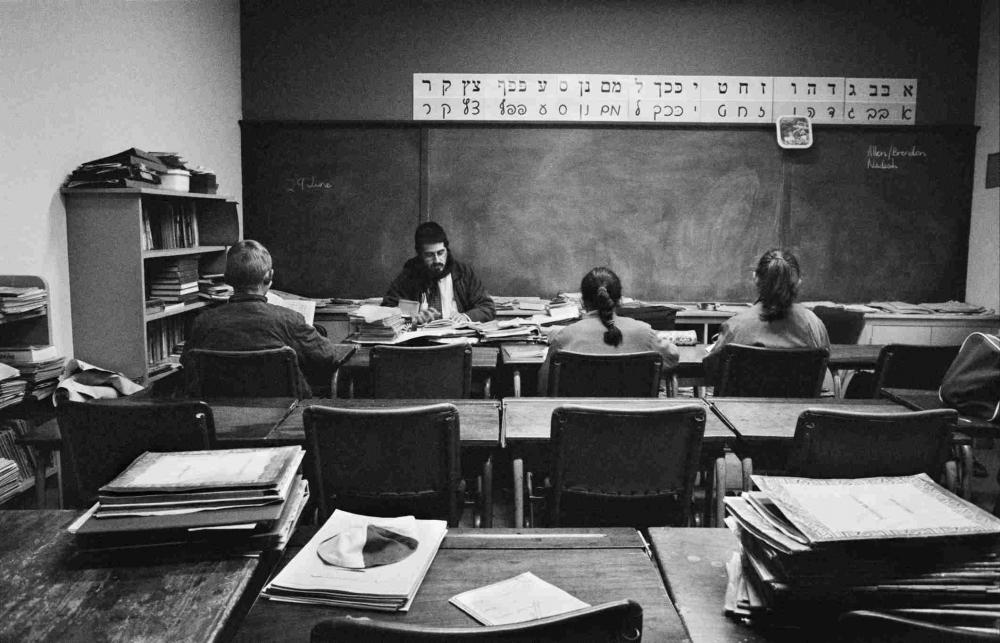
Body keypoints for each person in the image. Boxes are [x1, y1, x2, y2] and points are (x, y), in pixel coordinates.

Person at [181, 239, 339, 396]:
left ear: (227, 278)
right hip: (284, 415)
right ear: (269, 277)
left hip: (220, 416)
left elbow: (186, 363)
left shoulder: (203, 322)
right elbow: (328, 357)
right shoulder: (290, 320)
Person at [537, 267, 679, 393]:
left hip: (579, 421)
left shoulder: (565, 337)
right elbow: (672, 358)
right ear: (620, 300)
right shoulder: (644, 334)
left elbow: (544, 387)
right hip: (633, 421)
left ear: (582, 302)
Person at [703, 248, 830, 382]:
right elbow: (825, 360)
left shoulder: (736, 326)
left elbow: (711, 370)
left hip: (744, 403)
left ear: (756, 279)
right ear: (798, 283)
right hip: (799, 403)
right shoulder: (813, 324)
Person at [382, 221, 495, 324]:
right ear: (419, 254)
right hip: (422, 342)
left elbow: (487, 307)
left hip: (457, 338)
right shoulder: (408, 277)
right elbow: (388, 310)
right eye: (429, 255)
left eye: (440, 253)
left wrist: (466, 317)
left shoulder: (463, 273)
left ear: (447, 249)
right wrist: (413, 318)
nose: (437, 260)